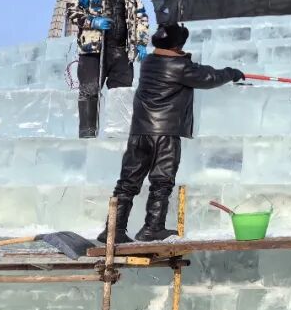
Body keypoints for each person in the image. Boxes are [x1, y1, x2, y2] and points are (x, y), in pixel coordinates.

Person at [99, 23, 243, 244]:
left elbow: (192, 69)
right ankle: (152, 228)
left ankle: (113, 229)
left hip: (139, 132)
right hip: (164, 133)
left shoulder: (149, 62)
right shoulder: (180, 67)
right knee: (162, 181)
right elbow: (208, 77)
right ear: (177, 46)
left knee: (127, 182)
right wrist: (232, 73)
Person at [71, 0, 150, 138]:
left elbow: (141, 18)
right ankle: (87, 133)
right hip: (93, 51)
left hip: (122, 51)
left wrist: (141, 42)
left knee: (121, 93)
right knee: (90, 91)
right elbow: (73, 13)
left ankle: (118, 135)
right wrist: (92, 21)